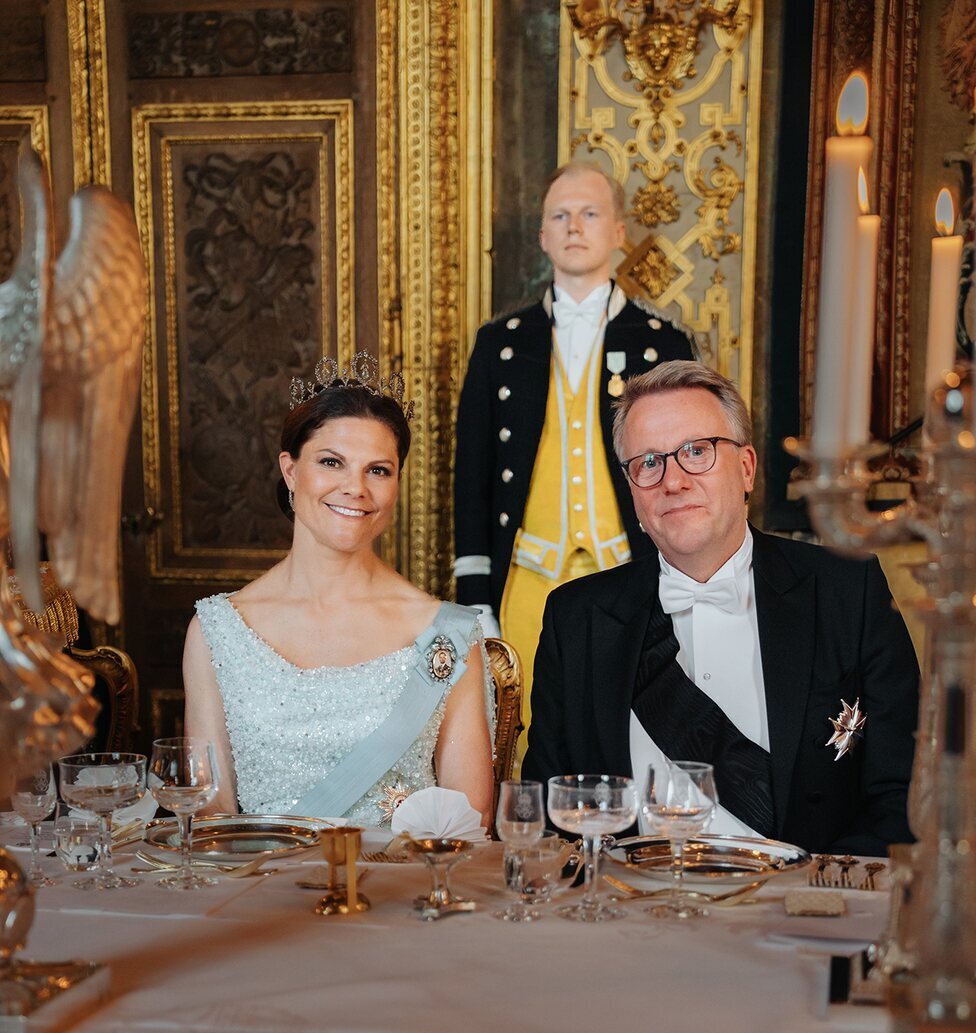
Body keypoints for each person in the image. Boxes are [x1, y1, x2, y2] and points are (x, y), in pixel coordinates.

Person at [524, 361, 919, 857]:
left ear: (747, 468)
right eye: (648, 462)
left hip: (796, 919)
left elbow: (901, 793)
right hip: (631, 915)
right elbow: (546, 813)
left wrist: (809, 902)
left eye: (696, 452)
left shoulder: (846, 591)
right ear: (632, 490)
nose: (673, 481)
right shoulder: (577, 618)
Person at [183, 357, 494, 826]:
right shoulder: (217, 631)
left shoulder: (447, 633)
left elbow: (470, 819)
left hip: (402, 891)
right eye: (332, 463)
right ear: (290, 471)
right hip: (260, 890)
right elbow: (210, 814)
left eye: (379, 470)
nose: (355, 488)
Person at [452, 162, 697, 742]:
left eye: (590, 213)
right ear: (542, 236)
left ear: (618, 232)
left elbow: (688, 464)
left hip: (632, 570)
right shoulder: (500, 345)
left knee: (630, 726)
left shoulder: (662, 343)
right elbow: (472, 478)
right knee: (527, 734)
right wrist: (475, 599)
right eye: (559, 216)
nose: (574, 226)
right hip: (526, 578)